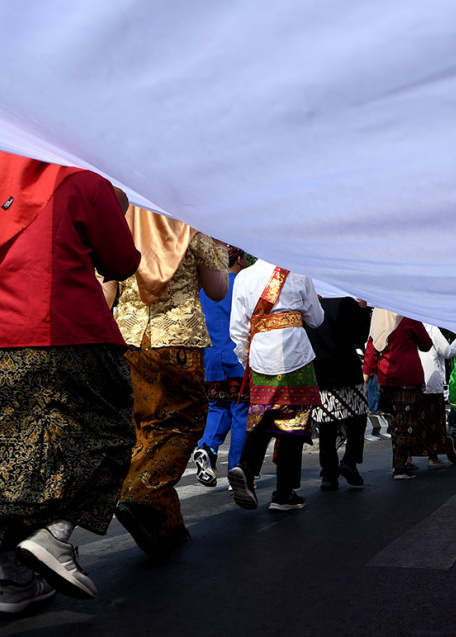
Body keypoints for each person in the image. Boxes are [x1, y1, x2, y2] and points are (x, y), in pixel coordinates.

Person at [0, 151, 140, 614]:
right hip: (65, 335)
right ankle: (55, 537)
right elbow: (121, 262)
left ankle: (15, 582)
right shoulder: (83, 181)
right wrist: (120, 206)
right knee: (108, 434)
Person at [113, 208, 229, 556]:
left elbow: (105, 289)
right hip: (179, 335)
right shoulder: (191, 220)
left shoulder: (120, 218)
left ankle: (166, 522)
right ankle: (141, 493)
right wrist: (218, 246)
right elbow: (218, 289)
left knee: (143, 426)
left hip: (129, 336)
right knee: (184, 422)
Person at [227, 260, 324, 510]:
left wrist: (247, 357)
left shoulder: (244, 276)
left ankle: (246, 468)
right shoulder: (300, 270)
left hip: (260, 356)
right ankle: (283, 492)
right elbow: (316, 319)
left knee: (262, 415)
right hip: (296, 355)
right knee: (294, 422)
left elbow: (237, 330)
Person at [192, 246, 250, 487]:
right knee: (241, 411)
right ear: (238, 258)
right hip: (236, 358)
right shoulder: (242, 285)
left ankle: (206, 447)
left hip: (212, 358)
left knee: (217, 407)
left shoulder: (205, 288)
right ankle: (238, 468)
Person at [307, 296, 372, 490]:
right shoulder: (346, 303)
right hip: (347, 370)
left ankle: (328, 473)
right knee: (358, 419)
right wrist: (362, 309)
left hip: (320, 372)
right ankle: (350, 460)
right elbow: (360, 337)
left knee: (326, 425)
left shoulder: (311, 304)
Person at [363, 309, 433, 479]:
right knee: (406, 422)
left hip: (386, 379)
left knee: (396, 422)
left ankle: (399, 464)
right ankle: (400, 468)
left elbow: (371, 352)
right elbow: (426, 344)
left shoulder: (377, 321)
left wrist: (366, 377)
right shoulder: (408, 317)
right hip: (408, 377)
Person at [417, 324, 456, 468]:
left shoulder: (408, 326)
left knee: (417, 422)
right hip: (432, 383)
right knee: (434, 422)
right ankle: (433, 456)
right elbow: (447, 351)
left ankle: (407, 460)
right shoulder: (431, 329)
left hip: (414, 380)